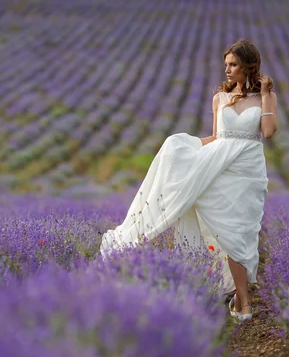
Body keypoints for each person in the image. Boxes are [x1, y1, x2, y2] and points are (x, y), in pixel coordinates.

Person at [100, 39, 277, 322]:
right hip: (220, 168)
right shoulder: (220, 98)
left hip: (248, 173)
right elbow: (217, 138)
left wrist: (267, 95)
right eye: (226, 65)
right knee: (227, 233)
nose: (228, 70)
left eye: (233, 64)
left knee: (244, 233)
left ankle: (240, 296)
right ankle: (243, 302)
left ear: (248, 65)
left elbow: (267, 132)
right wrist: (183, 145)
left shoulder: (264, 96)